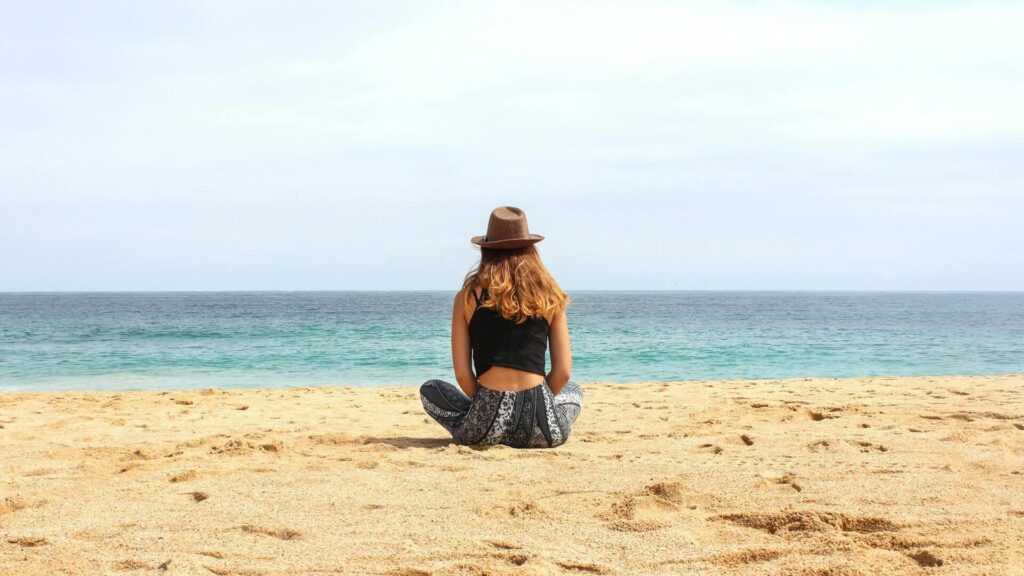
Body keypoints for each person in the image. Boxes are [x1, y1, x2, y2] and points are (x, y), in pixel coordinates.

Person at [420, 206, 583, 448]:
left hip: (485, 428)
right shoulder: (550, 296)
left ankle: (481, 419)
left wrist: (488, 403)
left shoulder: (467, 297)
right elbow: (563, 373)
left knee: (430, 390)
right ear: (531, 251)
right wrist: (536, 402)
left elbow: (463, 375)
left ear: (486, 250)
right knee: (574, 391)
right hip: (543, 429)